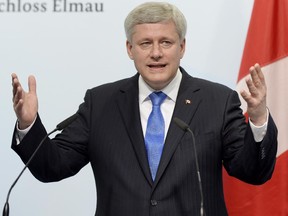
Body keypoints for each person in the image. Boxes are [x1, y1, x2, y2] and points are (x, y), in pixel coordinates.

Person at [11, 2, 277, 216]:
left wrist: (257, 120)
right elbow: (52, 167)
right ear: (130, 49)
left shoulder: (217, 101)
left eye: (166, 42)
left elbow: (253, 172)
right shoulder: (101, 103)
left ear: (182, 47)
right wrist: (29, 125)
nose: (156, 53)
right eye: (145, 43)